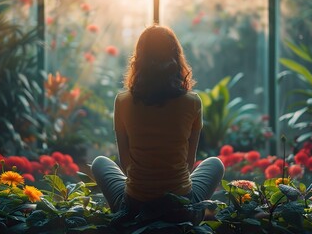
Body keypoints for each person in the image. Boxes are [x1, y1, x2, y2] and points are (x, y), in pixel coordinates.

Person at [91, 25, 224, 224]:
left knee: (100, 162)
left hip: (135, 208)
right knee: (216, 164)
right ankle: (188, 218)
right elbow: (187, 165)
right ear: (176, 57)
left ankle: (130, 219)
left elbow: (127, 165)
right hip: (181, 209)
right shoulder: (193, 102)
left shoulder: (123, 101)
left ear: (139, 59)